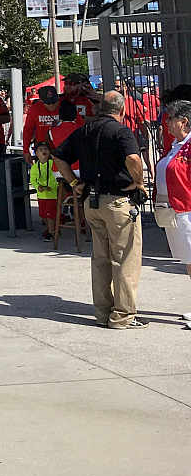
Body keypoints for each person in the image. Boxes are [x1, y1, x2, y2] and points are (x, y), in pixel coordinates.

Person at [52, 91, 148, 329]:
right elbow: (133, 159)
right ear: (122, 110)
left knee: (100, 259)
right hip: (118, 202)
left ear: (99, 108)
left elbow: (59, 156)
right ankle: (123, 315)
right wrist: (139, 182)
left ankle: (103, 313)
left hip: (92, 202)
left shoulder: (85, 130)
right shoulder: (121, 131)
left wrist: (74, 183)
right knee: (125, 259)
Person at [154, 100, 191, 326]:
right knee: (188, 260)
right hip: (175, 210)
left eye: (170, 119)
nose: (166, 123)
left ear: (183, 121)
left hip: (187, 210)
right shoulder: (176, 145)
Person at [29, 140, 60, 239]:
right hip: (41, 195)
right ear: (36, 153)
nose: (43, 151)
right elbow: (32, 180)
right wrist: (38, 187)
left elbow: (57, 176)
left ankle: (51, 232)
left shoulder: (53, 164)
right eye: (40, 149)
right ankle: (52, 228)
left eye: (46, 149)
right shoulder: (35, 167)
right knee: (43, 215)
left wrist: (53, 186)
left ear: (49, 152)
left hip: (52, 194)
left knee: (50, 214)